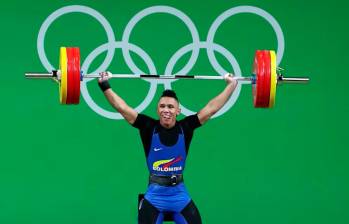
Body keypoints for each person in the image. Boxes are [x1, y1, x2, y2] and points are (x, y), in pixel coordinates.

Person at [98, 72, 238, 224]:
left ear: (178, 111)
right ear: (157, 110)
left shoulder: (186, 127)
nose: (166, 110)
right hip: (154, 197)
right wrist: (104, 85)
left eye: (171, 107)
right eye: (162, 106)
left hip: (179, 196)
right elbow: (122, 108)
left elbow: (211, 108)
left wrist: (231, 85)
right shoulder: (148, 127)